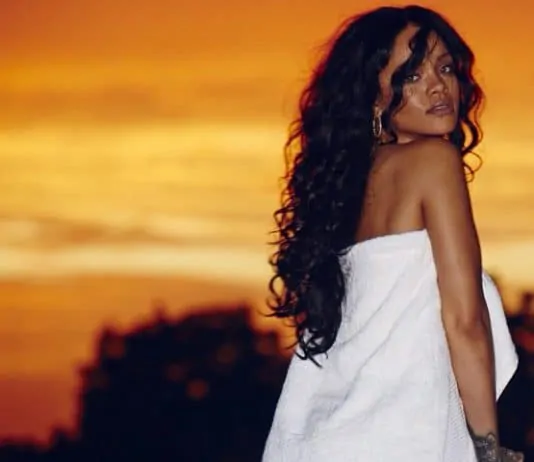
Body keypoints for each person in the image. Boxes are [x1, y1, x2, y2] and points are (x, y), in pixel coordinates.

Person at [263, 5, 523, 462]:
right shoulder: (434, 163)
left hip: (328, 437)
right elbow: (464, 322)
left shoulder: (347, 190)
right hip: (399, 437)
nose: (437, 86)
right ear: (374, 97)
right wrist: (488, 450)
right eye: (411, 75)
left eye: (445, 68)